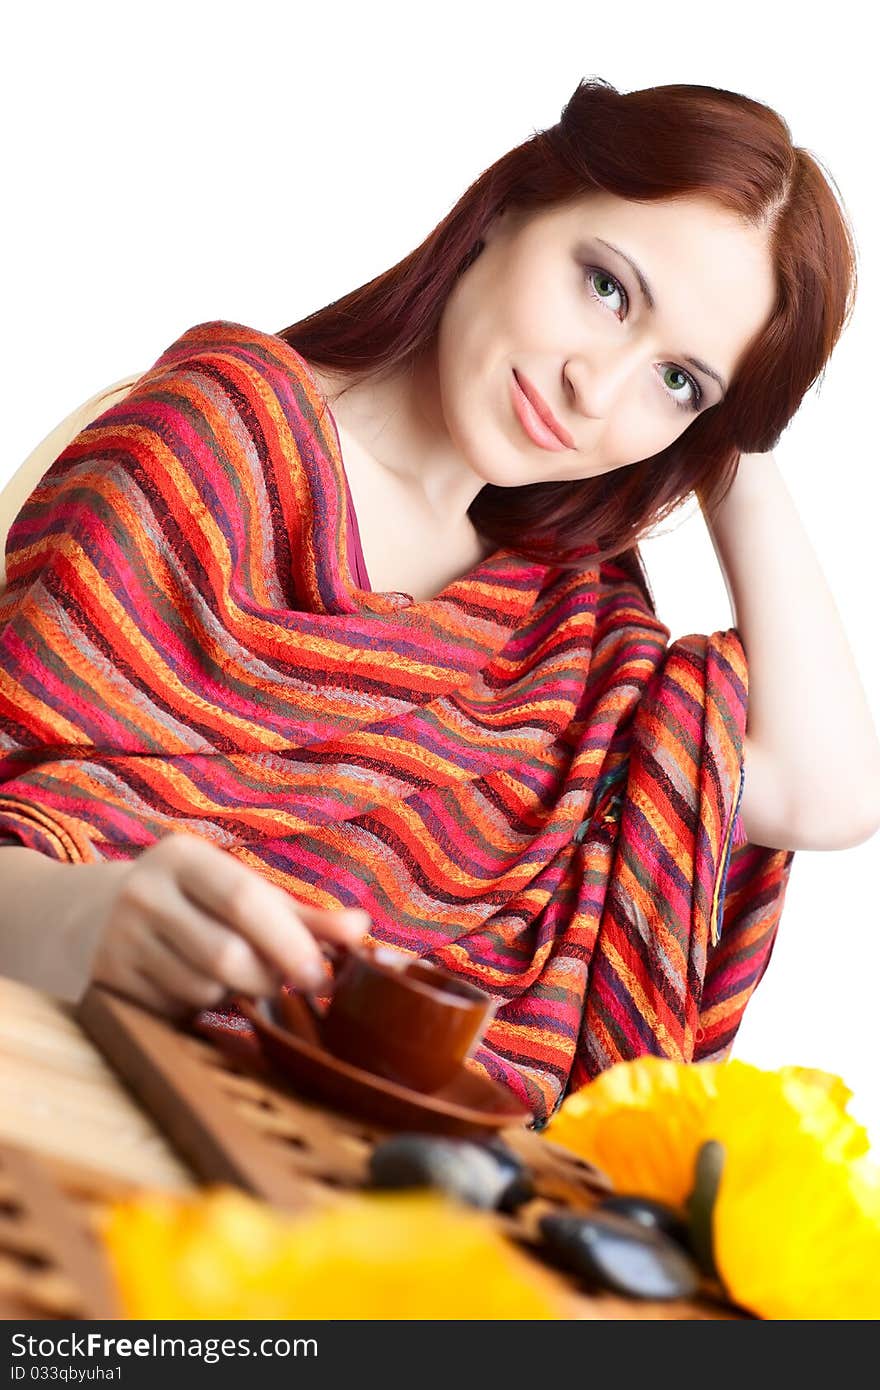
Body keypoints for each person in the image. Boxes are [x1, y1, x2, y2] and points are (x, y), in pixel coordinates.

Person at [1, 77, 873, 1129]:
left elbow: (827, 793)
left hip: (382, 1226)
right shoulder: (212, 449)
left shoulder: (569, 624)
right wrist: (82, 915)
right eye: (606, 287)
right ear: (511, 205)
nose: (593, 388)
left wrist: (733, 442)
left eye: (677, 381)